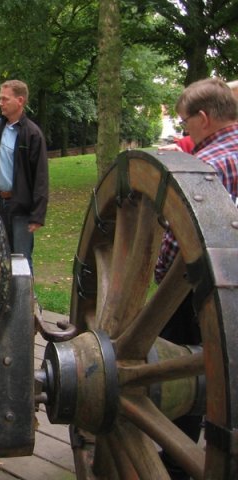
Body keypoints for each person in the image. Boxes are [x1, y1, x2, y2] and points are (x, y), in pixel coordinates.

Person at [155, 77, 238, 479]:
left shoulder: (207, 168)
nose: (185, 131)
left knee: (181, 367)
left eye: (187, 122)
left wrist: (158, 277)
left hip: (199, 292)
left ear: (204, 118)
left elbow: (176, 246)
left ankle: (178, 459)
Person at [0, 79, 49, 273]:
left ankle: (25, 302)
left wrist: (37, 216)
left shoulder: (32, 134)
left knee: (22, 261)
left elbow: (40, 177)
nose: (0, 103)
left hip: (21, 208)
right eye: (0, 99)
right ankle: (4, 302)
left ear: (20, 101)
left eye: (5, 99)